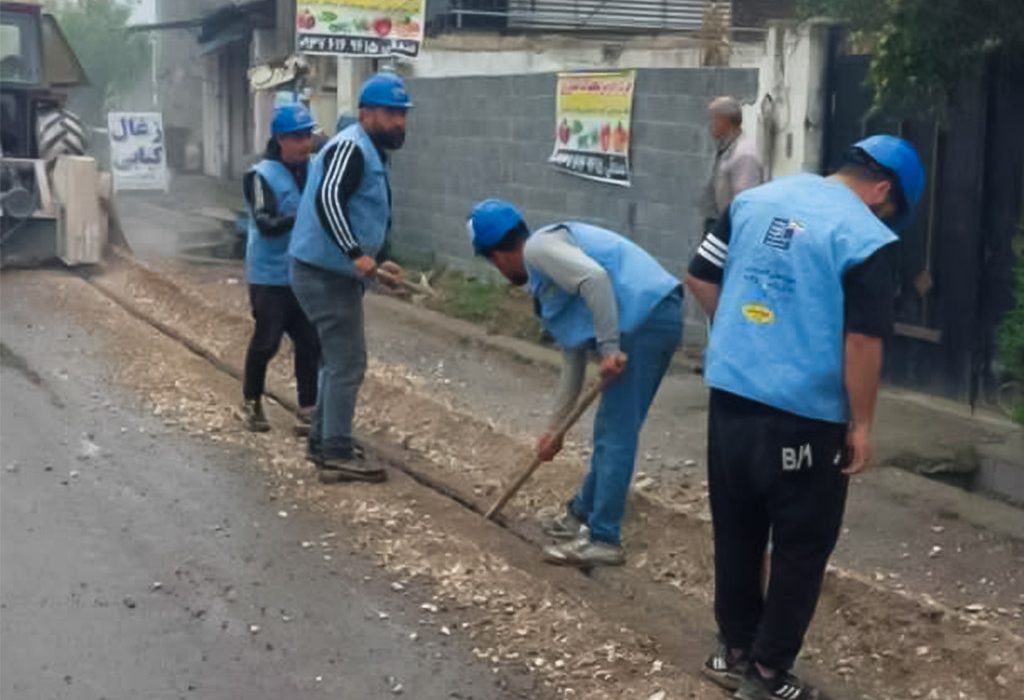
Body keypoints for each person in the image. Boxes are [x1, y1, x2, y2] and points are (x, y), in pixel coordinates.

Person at [685, 135, 925, 700]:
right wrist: (862, 425)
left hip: (731, 398)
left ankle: (735, 650)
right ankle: (767, 675)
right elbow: (863, 341)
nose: (888, 218)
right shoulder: (865, 237)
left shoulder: (755, 201)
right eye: (892, 209)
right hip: (804, 417)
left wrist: (746, 338)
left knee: (738, 528)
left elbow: (699, 276)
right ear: (883, 190)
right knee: (801, 544)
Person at [467, 200, 683, 568]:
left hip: (644, 318)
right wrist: (555, 430)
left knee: (615, 430)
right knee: (614, 427)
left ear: (497, 256)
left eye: (492, 263)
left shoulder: (539, 250)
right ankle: (580, 514)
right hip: (653, 315)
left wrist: (611, 348)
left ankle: (604, 538)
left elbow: (595, 279)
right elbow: (573, 359)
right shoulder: (548, 274)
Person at [288, 73, 412, 484]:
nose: (399, 122)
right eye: (390, 113)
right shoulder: (351, 147)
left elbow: (361, 209)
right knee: (348, 362)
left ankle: (325, 442)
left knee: (337, 360)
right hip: (323, 273)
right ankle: (336, 451)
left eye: (402, 114)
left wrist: (378, 260)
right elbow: (328, 199)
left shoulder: (371, 151)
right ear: (365, 114)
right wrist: (355, 253)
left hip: (330, 272)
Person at [240, 103, 320, 435]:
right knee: (266, 342)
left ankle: (308, 409)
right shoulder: (261, 176)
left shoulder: (314, 169)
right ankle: (251, 402)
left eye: (307, 137)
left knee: (309, 341)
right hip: (269, 275)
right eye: (297, 138)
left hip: (302, 272)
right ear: (279, 140)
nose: (305, 144)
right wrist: (303, 218)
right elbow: (266, 222)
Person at [701, 96, 763, 234]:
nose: (711, 124)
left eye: (713, 119)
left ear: (725, 121)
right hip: (716, 222)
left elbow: (744, 202)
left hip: (730, 229)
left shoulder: (744, 154)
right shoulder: (726, 147)